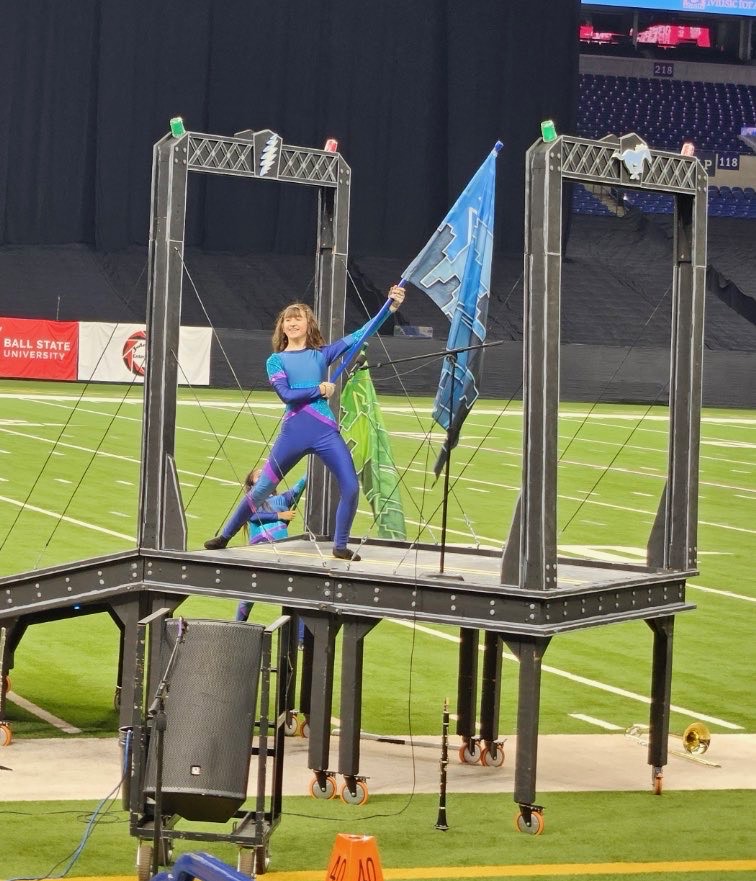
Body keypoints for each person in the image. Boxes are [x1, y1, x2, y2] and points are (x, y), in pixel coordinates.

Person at [205, 284, 405, 561]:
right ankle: (225, 535)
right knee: (262, 488)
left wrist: (390, 307)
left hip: (325, 432)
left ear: (308, 324)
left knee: (350, 485)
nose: (293, 322)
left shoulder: (322, 354)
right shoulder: (276, 361)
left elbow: (361, 334)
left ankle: (340, 545)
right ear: (282, 328)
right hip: (294, 433)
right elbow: (287, 395)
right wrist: (319, 390)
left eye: (298, 318)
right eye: (288, 319)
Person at [234, 467, 306, 622]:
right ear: (252, 483)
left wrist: (317, 462)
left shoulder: (282, 499)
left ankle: (301, 641)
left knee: (297, 596)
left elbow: (300, 485)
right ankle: (237, 627)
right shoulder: (252, 499)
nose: (263, 475)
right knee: (249, 595)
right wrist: (278, 515)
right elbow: (251, 515)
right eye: (259, 475)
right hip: (260, 553)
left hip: (281, 554)